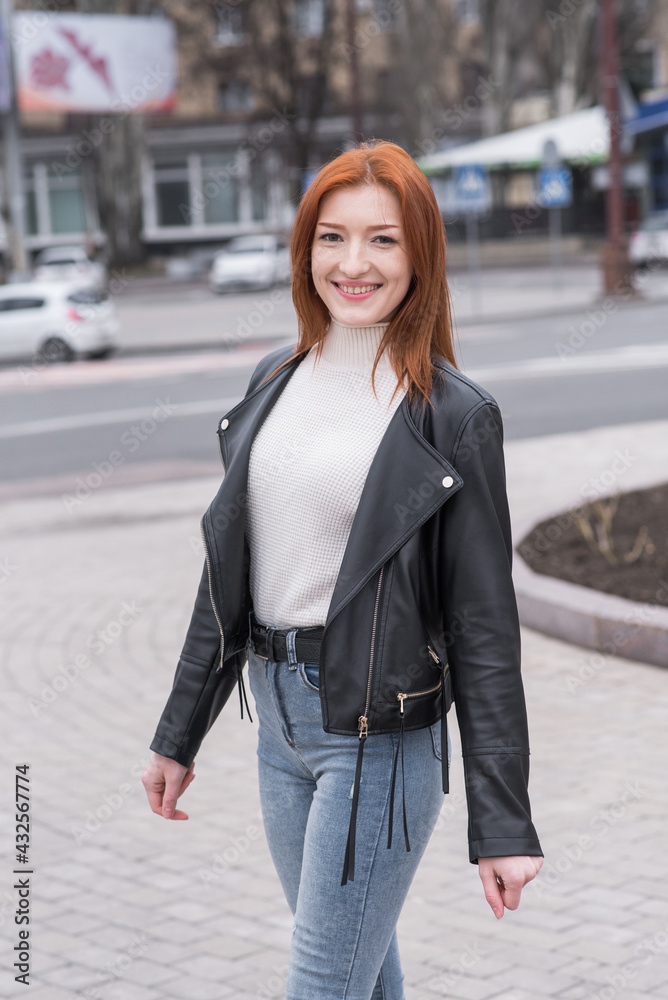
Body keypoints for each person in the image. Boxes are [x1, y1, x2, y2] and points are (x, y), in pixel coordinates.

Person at [142, 138, 544, 999]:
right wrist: (178, 735)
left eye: (383, 240)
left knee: (322, 982)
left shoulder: (452, 416)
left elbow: (483, 630)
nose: (352, 263)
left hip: (379, 738)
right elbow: (229, 581)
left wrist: (503, 823)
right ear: (305, 248)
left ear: (421, 255)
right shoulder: (273, 380)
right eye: (332, 236)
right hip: (280, 727)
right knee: (363, 973)